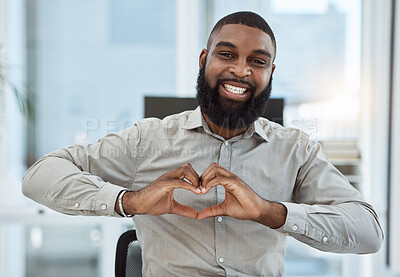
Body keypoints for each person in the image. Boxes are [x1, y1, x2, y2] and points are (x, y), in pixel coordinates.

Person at [22, 11, 383, 276]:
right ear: (204, 60)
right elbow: (40, 175)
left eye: (257, 61)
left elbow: (368, 232)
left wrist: (267, 212)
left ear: (270, 73)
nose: (241, 71)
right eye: (226, 54)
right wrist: (128, 201)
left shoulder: (296, 150)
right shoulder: (149, 140)